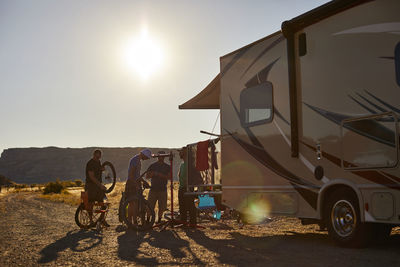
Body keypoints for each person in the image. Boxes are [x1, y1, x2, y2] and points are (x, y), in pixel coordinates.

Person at [126, 148, 152, 226]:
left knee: (135, 203)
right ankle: (130, 222)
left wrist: (144, 182)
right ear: (144, 155)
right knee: (132, 203)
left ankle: (134, 222)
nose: (146, 159)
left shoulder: (138, 160)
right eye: (146, 157)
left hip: (135, 182)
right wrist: (135, 184)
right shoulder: (135, 160)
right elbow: (131, 175)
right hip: (131, 183)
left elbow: (137, 175)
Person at [85, 149, 109, 227]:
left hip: (98, 186)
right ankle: (91, 220)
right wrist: (100, 185)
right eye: (97, 156)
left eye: (100, 156)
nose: (98, 157)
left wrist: (102, 170)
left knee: (103, 203)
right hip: (91, 186)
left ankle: (102, 220)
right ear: (94, 155)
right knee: (90, 203)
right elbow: (91, 177)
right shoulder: (90, 163)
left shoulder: (98, 162)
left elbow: (98, 171)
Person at [146, 151, 170, 223]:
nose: (161, 158)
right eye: (160, 156)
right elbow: (147, 176)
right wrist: (153, 174)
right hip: (153, 189)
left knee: (162, 207)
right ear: (157, 157)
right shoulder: (152, 166)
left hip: (162, 189)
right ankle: (148, 220)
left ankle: (159, 220)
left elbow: (169, 177)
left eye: (162, 156)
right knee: (150, 206)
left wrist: (158, 174)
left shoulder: (167, 167)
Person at [178, 147, 197, 226]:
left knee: (190, 206)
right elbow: (179, 175)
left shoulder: (190, 164)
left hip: (188, 187)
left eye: (181, 152)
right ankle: (184, 222)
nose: (180, 153)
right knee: (182, 207)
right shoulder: (182, 164)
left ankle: (193, 223)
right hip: (181, 187)